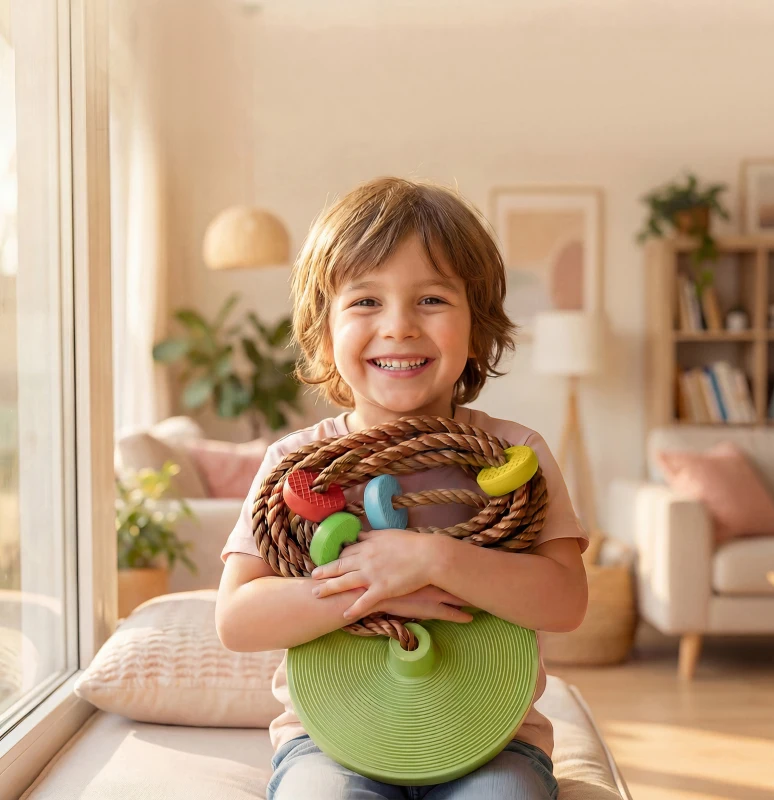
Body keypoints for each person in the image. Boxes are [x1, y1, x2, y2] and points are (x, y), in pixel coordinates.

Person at [215, 177, 589, 800]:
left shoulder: (516, 457)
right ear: (323, 327)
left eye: (433, 300)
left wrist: (433, 559)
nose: (399, 327)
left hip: (493, 736)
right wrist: (373, 590)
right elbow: (236, 620)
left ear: (477, 325)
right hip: (330, 739)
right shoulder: (295, 465)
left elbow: (565, 602)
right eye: (365, 302)